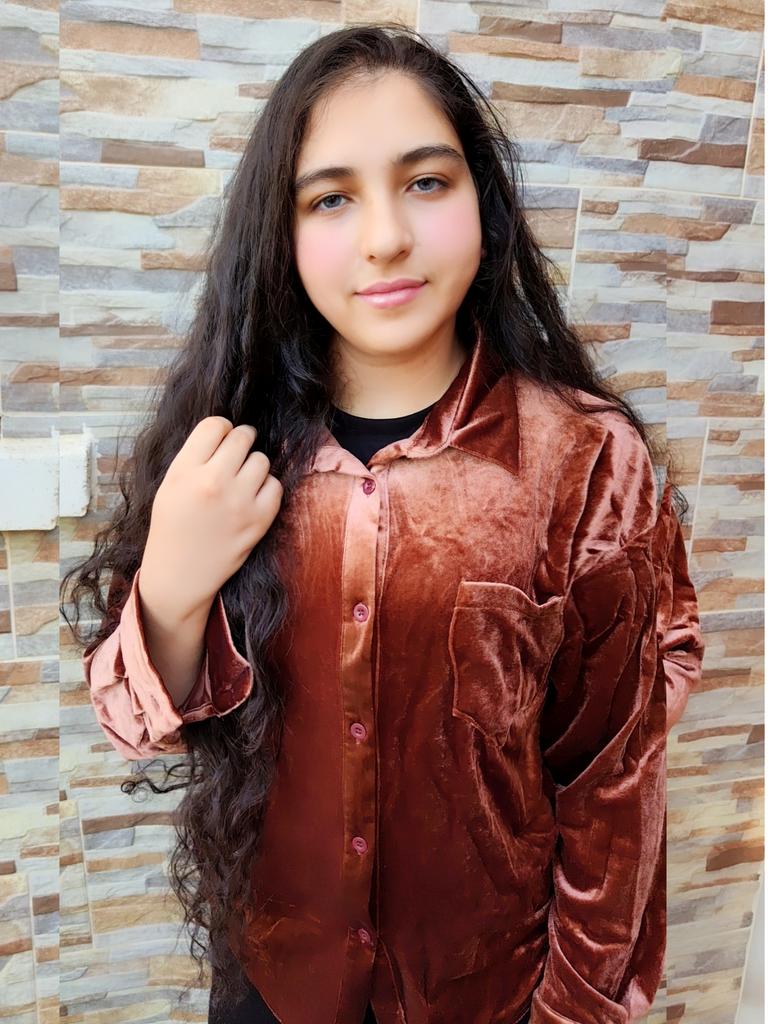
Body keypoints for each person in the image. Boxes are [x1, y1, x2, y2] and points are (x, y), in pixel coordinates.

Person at [62, 23, 706, 1024]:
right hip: (274, 983)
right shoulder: (228, 449)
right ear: (281, 231)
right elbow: (136, 723)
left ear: (483, 201)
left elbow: (613, 788)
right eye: (331, 198)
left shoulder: (585, 461)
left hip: (487, 994)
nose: (385, 238)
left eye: (426, 182)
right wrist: (175, 589)